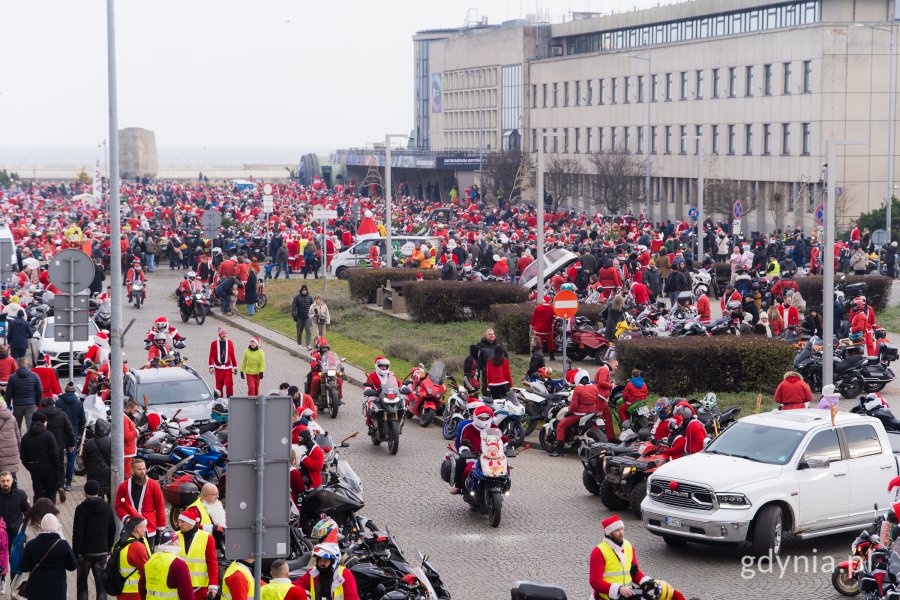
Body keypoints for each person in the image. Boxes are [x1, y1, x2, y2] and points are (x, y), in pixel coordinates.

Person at [590, 515, 685, 600]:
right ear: (609, 533)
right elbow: (595, 582)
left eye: (622, 529)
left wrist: (648, 583)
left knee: (665, 592)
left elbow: (634, 573)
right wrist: (619, 589)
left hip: (630, 593)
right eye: (617, 530)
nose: (621, 533)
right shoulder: (599, 552)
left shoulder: (628, 546)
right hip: (608, 596)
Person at [73, 479, 116, 600]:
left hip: (84, 553)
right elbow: (112, 529)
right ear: (98, 492)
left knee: (82, 585)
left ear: (85, 492)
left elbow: (77, 533)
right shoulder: (107, 508)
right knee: (101, 586)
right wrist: (108, 548)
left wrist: (76, 553)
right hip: (101, 552)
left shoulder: (81, 509)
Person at [19, 513, 76, 600]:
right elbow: (72, 566)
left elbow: (24, 567)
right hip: (57, 590)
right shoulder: (63, 545)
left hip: (36, 590)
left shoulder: (31, 545)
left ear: (41, 527)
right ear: (56, 527)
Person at [114, 458, 166, 546]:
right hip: (131, 527)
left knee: (148, 556)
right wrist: (127, 519)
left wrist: (160, 527)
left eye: (144, 468)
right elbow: (118, 506)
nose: (142, 471)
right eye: (139, 469)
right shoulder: (123, 486)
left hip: (149, 528)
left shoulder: (154, 485)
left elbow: (160, 506)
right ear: (132, 471)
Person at [293, 533, 359, 600]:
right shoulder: (313, 573)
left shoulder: (345, 574)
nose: (321, 563)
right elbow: (295, 587)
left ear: (333, 561)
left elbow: (352, 597)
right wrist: (305, 595)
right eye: (319, 560)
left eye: (325, 560)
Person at [551, 370, 598, 457]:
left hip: (579, 414)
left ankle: (559, 450)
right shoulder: (594, 387)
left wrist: (569, 412)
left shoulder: (578, 388)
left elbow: (574, 404)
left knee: (561, 426)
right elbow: (596, 400)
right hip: (591, 412)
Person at [175, 506, 218, 600]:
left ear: (191, 523)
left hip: (199, 587)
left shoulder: (207, 538)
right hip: (178, 585)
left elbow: (212, 563)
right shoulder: (174, 536)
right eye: (179, 521)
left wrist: (213, 586)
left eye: (182, 522)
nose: (179, 524)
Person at [138, 530, 194, 600]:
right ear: (173, 543)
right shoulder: (179, 564)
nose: (179, 543)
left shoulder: (152, 560)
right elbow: (187, 595)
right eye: (178, 540)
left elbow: (141, 586)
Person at [38, 396, 74, 503]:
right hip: (59, 446)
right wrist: (71, 444)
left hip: (45, 448)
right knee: (60, 468)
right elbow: (70, 430)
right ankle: (61, 486)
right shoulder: (62, 414)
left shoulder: (41, 416)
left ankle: (50, 489)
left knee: (48, 468)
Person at [19, 411, 59, 503]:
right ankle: (50, 514)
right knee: (51, 493)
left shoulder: (25, 437)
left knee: (38, 494)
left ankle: (37, 515)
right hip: (50, 470)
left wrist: (30, 467)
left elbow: (23, 457)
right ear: (44, 422)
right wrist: (56, 468)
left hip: (35, 470)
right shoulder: (48, 435)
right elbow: (55, 454)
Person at [56, 381, 84, 491]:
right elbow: (83, 420)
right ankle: (68, 484)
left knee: (59, 459)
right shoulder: (78, 403)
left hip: (61, 434)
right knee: (71, 460)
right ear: (74, 392)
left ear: (65, 391)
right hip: (73, 434)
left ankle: (60, 483)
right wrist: (78, 428)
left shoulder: (59, 403)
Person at [117, 516, 151, 600]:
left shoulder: (121, 541)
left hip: (121, 589)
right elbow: (146, 569)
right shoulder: (136, 547)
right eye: (145, 527)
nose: (146, 529)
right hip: (134, 592)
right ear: (138, 529)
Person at [7, 358, 42, 432]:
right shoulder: (34, 375)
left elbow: (8, 393)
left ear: (18, 365)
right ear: (27, 365)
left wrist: (7, 405)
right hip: (31, 404)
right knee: (31, 426)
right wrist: (37, 403)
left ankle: (18, 442)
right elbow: (39, 390)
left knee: (16, 426)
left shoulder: (12, 377)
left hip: (17, 404)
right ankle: (30, 442)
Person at [82, 418, 112, 500]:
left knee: (97, 496)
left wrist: (88, 468)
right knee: (110, 495)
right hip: (108, 474)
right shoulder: (110, 442)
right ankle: (110, 510)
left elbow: (85, 459)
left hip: (93, 474)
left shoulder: (89, 442)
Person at [208, 327, 238, 399]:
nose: (224, 335)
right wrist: (211, 366)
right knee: (219, 385)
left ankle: (229, 399)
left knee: (229, 385)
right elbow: (211, 355)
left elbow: (233, 356)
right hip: (218, 368)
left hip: (228, 368)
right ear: (219, 335)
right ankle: (219, 400)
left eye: (225, 333)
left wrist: (235, 367)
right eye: (222, 333)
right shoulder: (214, 344)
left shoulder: (230, 343)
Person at [0, 472, 28, 548]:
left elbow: (27, 513)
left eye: (7, 480)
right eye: (3, 481)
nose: (5, 483)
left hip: (16, 533)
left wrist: (22, 530)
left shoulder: (21, 494)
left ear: (12, 481)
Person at [530, 296, 556, 360]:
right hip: (547, 329)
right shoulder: (552, 309)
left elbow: (534, 317)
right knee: (550, 342)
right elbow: (554, 317)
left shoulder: (538, 308)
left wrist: (532, 325)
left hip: (538, 328)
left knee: (539, 342)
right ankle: (551, 356)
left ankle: (539, 356)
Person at [291, 285, 314, 349]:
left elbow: (313, 307)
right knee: (299, 331)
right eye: (303, 290)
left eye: (305, 290)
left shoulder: (310, 297)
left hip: (307, 317)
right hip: (299, 317)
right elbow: (293, 307)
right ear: (301, 290)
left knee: (308, 330)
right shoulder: (297, 297)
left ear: (307, 290)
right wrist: (294, 315)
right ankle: (299, 343)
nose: (304, 291)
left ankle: (308, 344)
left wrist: (313, 315)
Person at [124, 400, 139, 476]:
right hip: (126, 452)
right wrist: (137, 431)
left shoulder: (126, 418)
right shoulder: (125, 419)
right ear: (129, 408)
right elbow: (127, 436)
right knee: (127, 474)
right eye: (134, 410)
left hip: (127, 451)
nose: (135, 413)